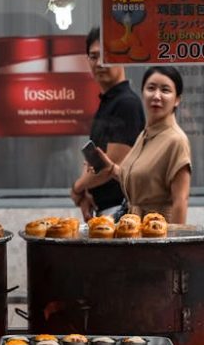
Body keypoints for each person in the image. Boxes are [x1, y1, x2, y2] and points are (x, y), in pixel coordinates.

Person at [98, 65, 191, 223]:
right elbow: (140, 182)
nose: (156, 96)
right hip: (135, 230)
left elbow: (180, 201)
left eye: (165, 90)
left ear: (177, 100)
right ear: (142, 93)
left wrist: (175, 244)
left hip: (157, 234)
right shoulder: (145, 135)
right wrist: (110, 167)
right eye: (151, 88)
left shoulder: (176, 140)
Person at [70, 27, 145, 221]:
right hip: (104, 210)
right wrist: (85, 192)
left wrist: (78, 188)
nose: (99, 63)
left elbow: (112, 164)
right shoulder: (107, 102)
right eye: (93, 56)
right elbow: (93, 159)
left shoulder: (126, 103)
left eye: (107, 56)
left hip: (122, 211)